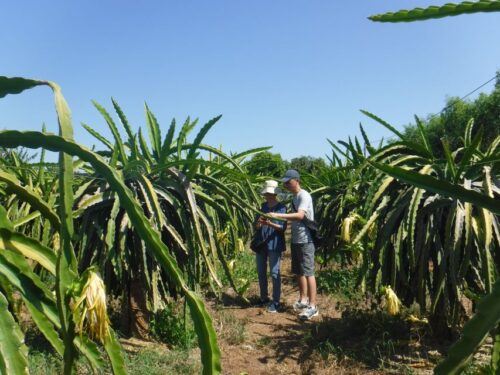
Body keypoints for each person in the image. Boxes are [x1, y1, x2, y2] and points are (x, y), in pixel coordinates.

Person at [269, 169, 318, 320]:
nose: (287, 185)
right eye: (285, 183)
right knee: (299, 271)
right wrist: (271, 220)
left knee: (309, 272)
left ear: (297, 180)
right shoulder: (294, 198)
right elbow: (291, 219)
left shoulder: (304, 195)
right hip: (296, 239)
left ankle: (313, 306)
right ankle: (303, 300)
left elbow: (300, 215)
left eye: (289, 182)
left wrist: (278, 215)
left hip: (306, 240)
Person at [254, 180, 287, 313]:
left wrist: (269, 223)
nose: (268, 195)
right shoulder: (262, 207)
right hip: (262, 243)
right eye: (267, 193)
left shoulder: (282, 208)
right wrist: (260, 223)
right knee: (261, 272)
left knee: (274, 273)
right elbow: (256, 226)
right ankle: (263, 297)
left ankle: (276, 301)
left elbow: (282, 227)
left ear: (275, 194)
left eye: (270, 193)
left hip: (275, 243)